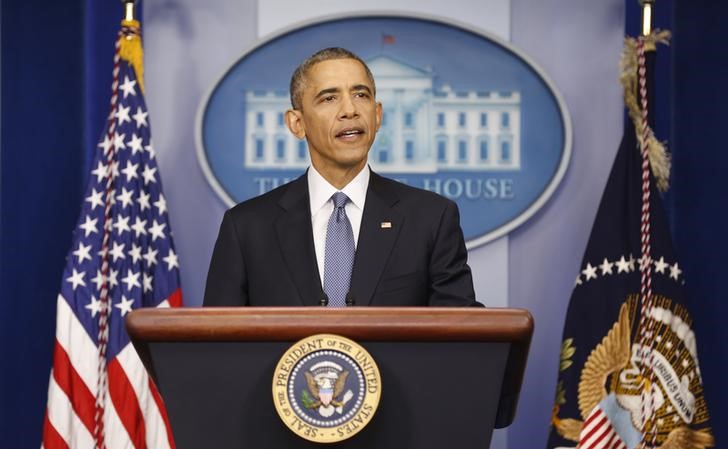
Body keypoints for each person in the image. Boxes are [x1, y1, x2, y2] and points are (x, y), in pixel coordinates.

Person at [203, 47, 479, 307]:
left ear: (378, 115)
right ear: (297, 123)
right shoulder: (247, 227)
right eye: (329, 98)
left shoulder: (432, 218)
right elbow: (218, 345)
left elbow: (463, 339)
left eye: (361, 95)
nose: (350, 110)